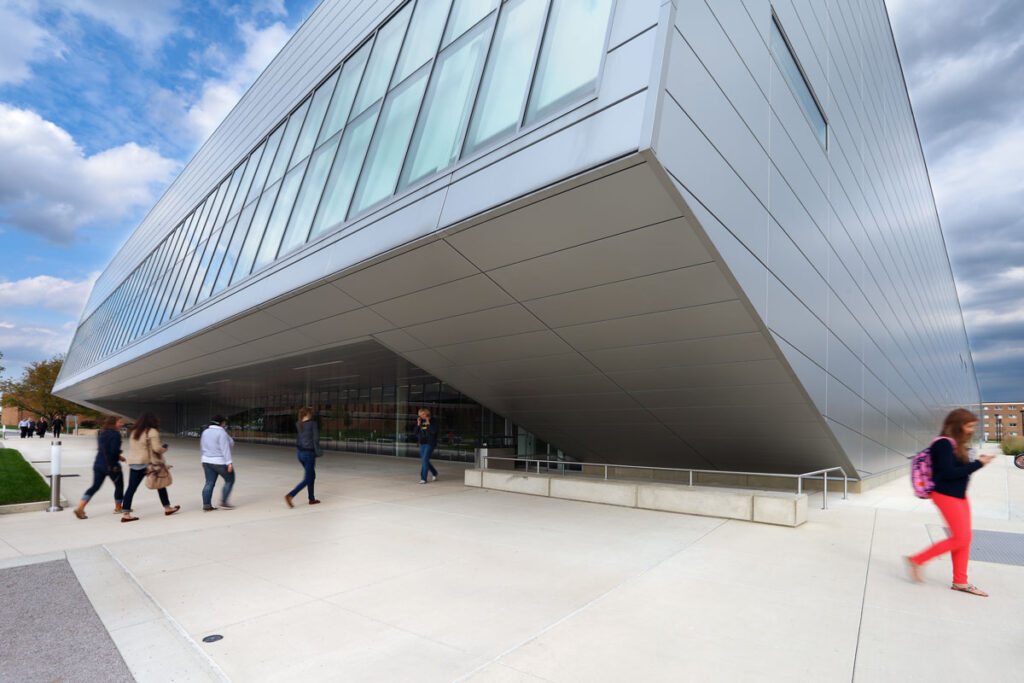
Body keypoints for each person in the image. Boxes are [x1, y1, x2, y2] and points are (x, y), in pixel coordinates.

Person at [906, 408, 996, 596]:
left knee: (965, 539)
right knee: (961, 538)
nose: (971, 430)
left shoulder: (956, 445)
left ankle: (960, 582)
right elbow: (948, 473)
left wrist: (977, 462)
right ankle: (917, 559)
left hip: (959, 496)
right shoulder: (943, 445)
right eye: (968, 426)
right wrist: (979, 464)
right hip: (945, 495)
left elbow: (960, 471)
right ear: (957, 425)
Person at [120, 412, 179, 522]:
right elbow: (156, 448)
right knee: (160, 485)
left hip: (134, 462)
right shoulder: (152, 431)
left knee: (131, 488)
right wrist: (164, 449)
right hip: (148, 463)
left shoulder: (134, 432)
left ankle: (126, 513)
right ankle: (167, 508)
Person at [74, 415, 126, 519]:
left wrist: (119, 456)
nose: (122, 424)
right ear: (113, 423)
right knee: (119, 485)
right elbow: (113, 450)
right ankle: (118, 507)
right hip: (111, 466)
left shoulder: (101, 433)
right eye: (120, 422)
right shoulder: (116, 434)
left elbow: (104, 449)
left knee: (95, 487)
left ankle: (81, 507)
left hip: (98, 464)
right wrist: (119, 454)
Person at [285, 406, 320, 507]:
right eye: (310, 413)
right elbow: (316, 439)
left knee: (311, 476)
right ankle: (290, 495)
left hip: (300, 454)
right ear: (308, 414)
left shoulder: (298, 424)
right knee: (308, 478)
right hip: (309, 454)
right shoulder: (313, 424)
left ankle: (311, 499)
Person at [200, 415, 235, 511]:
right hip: (219, 461)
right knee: (230, 479)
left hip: (206, 460)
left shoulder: (205, 432)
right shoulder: (222, 433)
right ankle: (224, 502)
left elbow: (203, 446)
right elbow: (226, 448)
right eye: (224, 422)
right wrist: (229, 463)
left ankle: (206, 505)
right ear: (221, 423)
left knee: (209, 482)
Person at [415, 408, 438, 484]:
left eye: (423, 414)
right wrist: (418, 424)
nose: (422, 416)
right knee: (425, 460)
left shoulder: (433, 420)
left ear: (427, 414)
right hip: (422, 443)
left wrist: (428, 423)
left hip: (430, 443)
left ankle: (423, 478)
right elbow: (415, 432)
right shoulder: (421, 421)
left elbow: (433, 432)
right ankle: (434, 472)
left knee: (424, 460)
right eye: (420, 415)